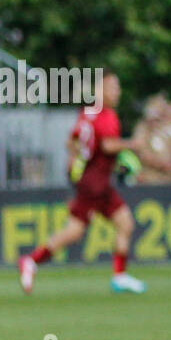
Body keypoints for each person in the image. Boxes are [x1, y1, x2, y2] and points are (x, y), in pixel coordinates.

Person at [17, 72, 151, 295]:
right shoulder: (107, 115)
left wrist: (81, 160)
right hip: (95, 184)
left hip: (92, 180)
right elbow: (107, 146)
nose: (117, 93)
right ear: (100, 90)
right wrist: (132, 144)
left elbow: (71, 141)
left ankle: (120, 276)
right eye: (112, 88)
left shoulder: (88, 112)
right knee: (74, 231)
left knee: (124, 223)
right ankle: (31, 261)